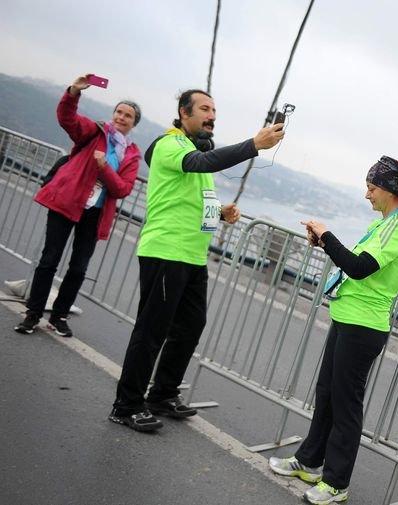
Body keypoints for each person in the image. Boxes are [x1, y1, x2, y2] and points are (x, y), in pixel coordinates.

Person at [108, 89, 285, 432]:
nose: (212, 115)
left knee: (191, 325)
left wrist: (219, 211)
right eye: (204, 108)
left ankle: (162, 393)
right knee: (151, 330)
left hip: (192, 255)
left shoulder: (192, 149)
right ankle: (126, 405)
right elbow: (200, 164)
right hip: (166, 251)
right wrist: (253, 145)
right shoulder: (170, 145)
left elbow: (188, 197)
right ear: (183, 113)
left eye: (214, 109)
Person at [269, 151, 398, 505]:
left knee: (345, 405)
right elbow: (352, 264)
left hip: (364, 327)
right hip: (347, 318)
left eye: (371, 187)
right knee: (327, 394)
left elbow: (359, 268)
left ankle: (337, 482)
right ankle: (309, 461)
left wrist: (328, 236)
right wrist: (326, 243)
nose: (367, 194)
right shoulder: (382, 225)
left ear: (389, 190)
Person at [14, 74, 142, 338]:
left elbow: (122, 188)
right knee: (49, 259)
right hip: (68, 202)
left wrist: (104, 168)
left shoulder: (131, 155)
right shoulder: (95, 131)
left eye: (127, 115)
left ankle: (59, 315)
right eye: (118, 112)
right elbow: (67, 119)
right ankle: (33, 314)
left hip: (95, 213)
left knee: (79, 268)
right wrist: (73, 92)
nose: (121, 117)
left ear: (133, 123)